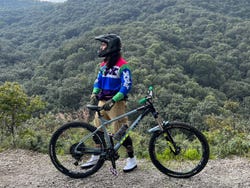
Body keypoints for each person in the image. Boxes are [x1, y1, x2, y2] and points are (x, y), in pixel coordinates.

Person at [81, 33, 137, 172]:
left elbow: (127, 85)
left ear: (111, 47)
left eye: (104, 45)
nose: (101, 47)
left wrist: (114, 99)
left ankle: (132, 159)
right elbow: (98, 81)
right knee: (97, 130)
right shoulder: (103, 65)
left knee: (120, 132)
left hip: (116, 104)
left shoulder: (123, 66)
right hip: (102, 102)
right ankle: (96, 156)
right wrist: (94, 92)